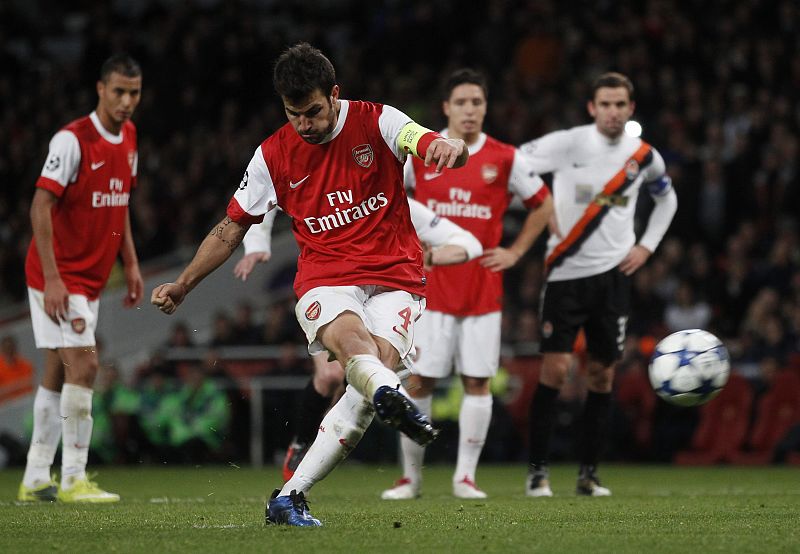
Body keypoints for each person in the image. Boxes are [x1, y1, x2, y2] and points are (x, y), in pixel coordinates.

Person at [151, 42, 467, 526]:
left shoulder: (377, 121)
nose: (305, 124)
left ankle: (289, 496)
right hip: (326, 277)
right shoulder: (273, 154)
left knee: (364, 387)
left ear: (335, 95)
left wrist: (450, 147)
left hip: (396, 277)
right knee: (354, 348)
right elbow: (230, 227)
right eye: (294, 114)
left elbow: (422, 140)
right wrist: (184, 283)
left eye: (314, 112)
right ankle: (392, 396)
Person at [382, 68, 553, 500]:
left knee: (477, 382)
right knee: (418, 382)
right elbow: (386, 196)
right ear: (446, 108)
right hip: (429, 291)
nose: (470, 110)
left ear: (485, 107)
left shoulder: (505, 158)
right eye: (461, 102)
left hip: (482, 293)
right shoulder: (423, 153)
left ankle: (465, 478)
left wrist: (515, 252)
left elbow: (543, 204)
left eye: (477, 102)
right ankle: (411, 479)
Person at [234, 197, 484, 482]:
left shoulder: (402, 205)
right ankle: (302, 443)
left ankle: (313, 465)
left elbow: (469, 243)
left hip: (380, 303)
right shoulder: (340, 192)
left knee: (364, 381)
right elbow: (267, 193)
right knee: (330, 375)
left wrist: (434, 256)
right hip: (332, 290)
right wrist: (257, 244)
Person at [519, 72, 677, 497]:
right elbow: (517, 165)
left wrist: (646, 247)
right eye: (604, 104)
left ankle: (588, 474)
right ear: (592, 108)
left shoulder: (643, 156)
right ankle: (538, 472)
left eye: (619, 105)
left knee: (602, 375)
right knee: (555, 370)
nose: (612, 112)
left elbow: (668, 198)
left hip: (614, 278)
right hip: (565, 275)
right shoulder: (569, 143)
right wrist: (540, 205)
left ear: (630, 109)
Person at [18, 54, 143, 503]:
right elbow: (39, 206)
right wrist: (52, 279)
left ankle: (35, 477)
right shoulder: (72, 141)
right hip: (59, 275)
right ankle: (73, 479)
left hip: (88, 278)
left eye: (134, 92)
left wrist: (129, 262)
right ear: (100, 89)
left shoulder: (129, 137)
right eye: (119, 92)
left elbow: (120, 203)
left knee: (58, 370)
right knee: (86, 365)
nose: (127, 101)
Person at [0, 335, 35, 403]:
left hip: (23, 404)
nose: (9, 352)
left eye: (11, 349)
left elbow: (29, 390)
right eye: (7, 349)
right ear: (2, 350)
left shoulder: (26, 366)